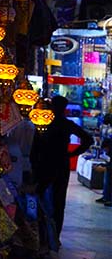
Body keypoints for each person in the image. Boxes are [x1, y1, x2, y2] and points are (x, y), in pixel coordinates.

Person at [30, 96, 93, 245]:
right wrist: (71, 154)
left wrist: (33, 163)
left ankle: (40, 236)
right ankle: (54, 237)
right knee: (59, 202)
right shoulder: (66, 124)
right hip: (60, 165)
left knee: (39, 199)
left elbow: (34, 146)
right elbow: (88, 139)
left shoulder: (44, 122)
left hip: (43, 165)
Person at [96, 139, 112, 207]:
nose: (104, 151)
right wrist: (102, 165)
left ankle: (110, 199)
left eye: (105, 149)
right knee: (106, 181)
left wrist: (105, 168)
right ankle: (106, 197)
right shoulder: (110, 152)